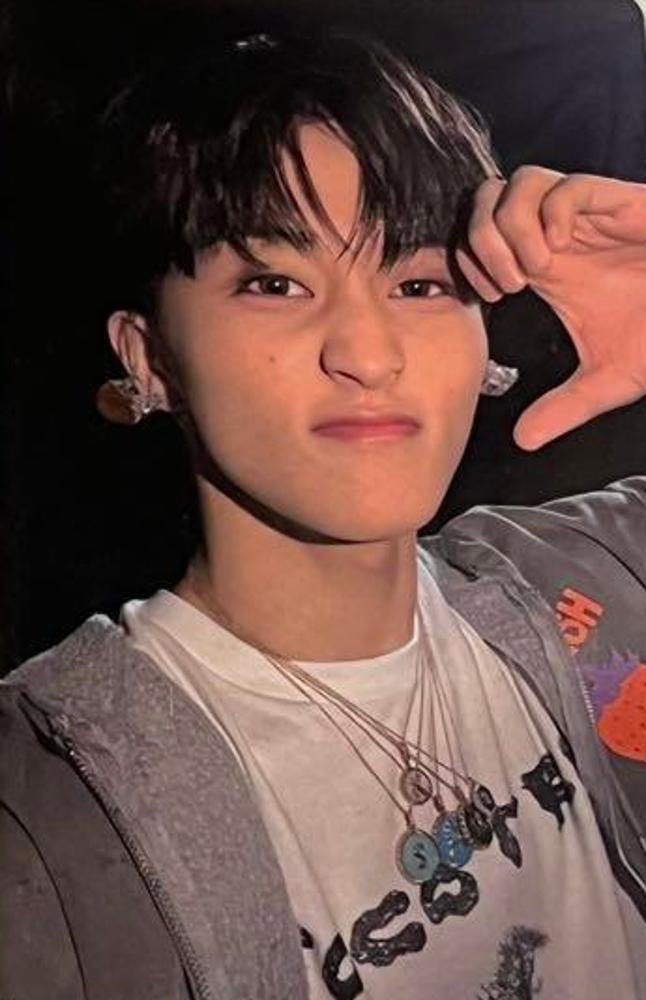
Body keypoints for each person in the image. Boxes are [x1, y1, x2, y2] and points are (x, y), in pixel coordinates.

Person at [1, 29, 646, 1000]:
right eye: (274, 284)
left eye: (419, 283)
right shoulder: (45, 808)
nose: (368, 353)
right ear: (149, 358)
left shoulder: (600, 575)